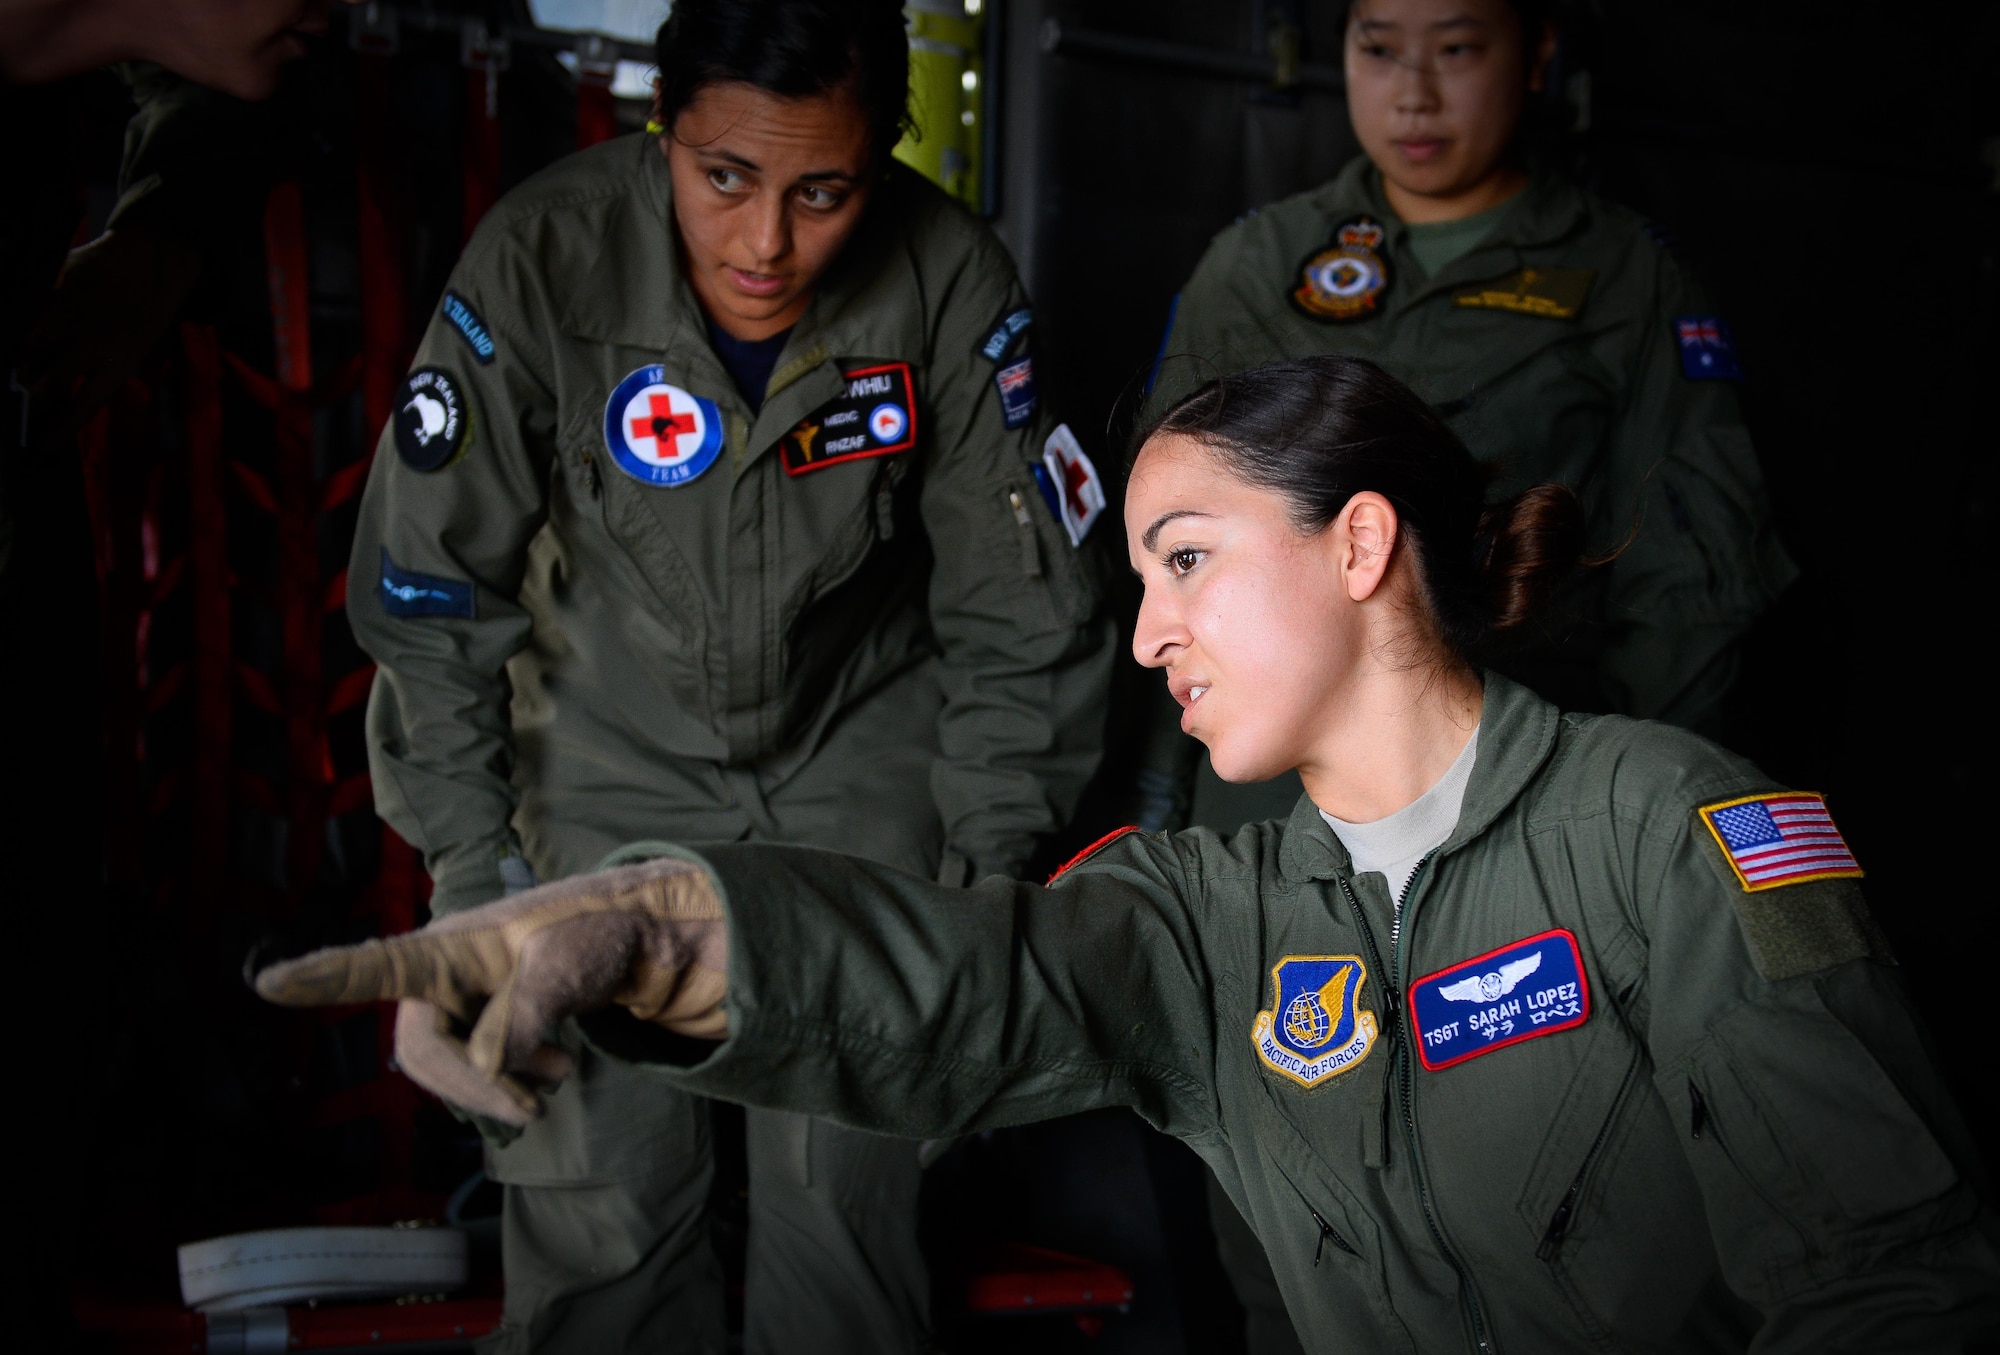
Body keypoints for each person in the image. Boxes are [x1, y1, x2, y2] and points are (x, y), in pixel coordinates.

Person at [265, 356, 2000, 1354]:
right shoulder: (1211, 916)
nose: (1150, 632)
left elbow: (1890, 1282)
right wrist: (644, 924)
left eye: (1184, 560)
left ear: (1361, 546)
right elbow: (965, 980)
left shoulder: (1666, 828)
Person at [341, 0, 1113, 1350]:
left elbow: (1023, 617)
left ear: (883, 155)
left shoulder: (947, 281)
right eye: (724, 179)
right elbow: (431, 596)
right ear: (662, 132)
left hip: (856, 763)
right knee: (602, 1208)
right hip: (597, 754)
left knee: (852, 1206)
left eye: (825, 191)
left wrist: (982, 892)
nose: (766, 242)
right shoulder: (545, 257)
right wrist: (472, 882)